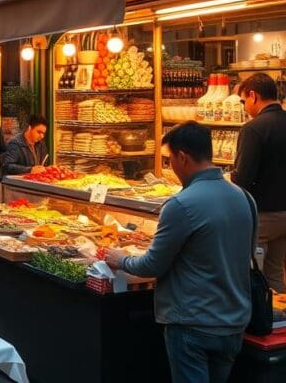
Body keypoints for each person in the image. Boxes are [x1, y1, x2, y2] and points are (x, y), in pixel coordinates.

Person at [105, 121, 252, 382]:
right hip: (233, 322)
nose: (170, 165)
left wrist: (122, 259)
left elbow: (152, 265)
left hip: (192, 322)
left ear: (182, 157)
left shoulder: (182, 204)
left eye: (170, 158)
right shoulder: (245, 198)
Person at [232, 72, 286, 292]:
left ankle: (260, 313)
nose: (245, 107)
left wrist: (230, 178)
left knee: (255, 274)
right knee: (276, 273)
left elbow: (243, 177)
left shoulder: (253, 128)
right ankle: (279, 310)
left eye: (243, 101)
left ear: (253, 96)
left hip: (262, 215)